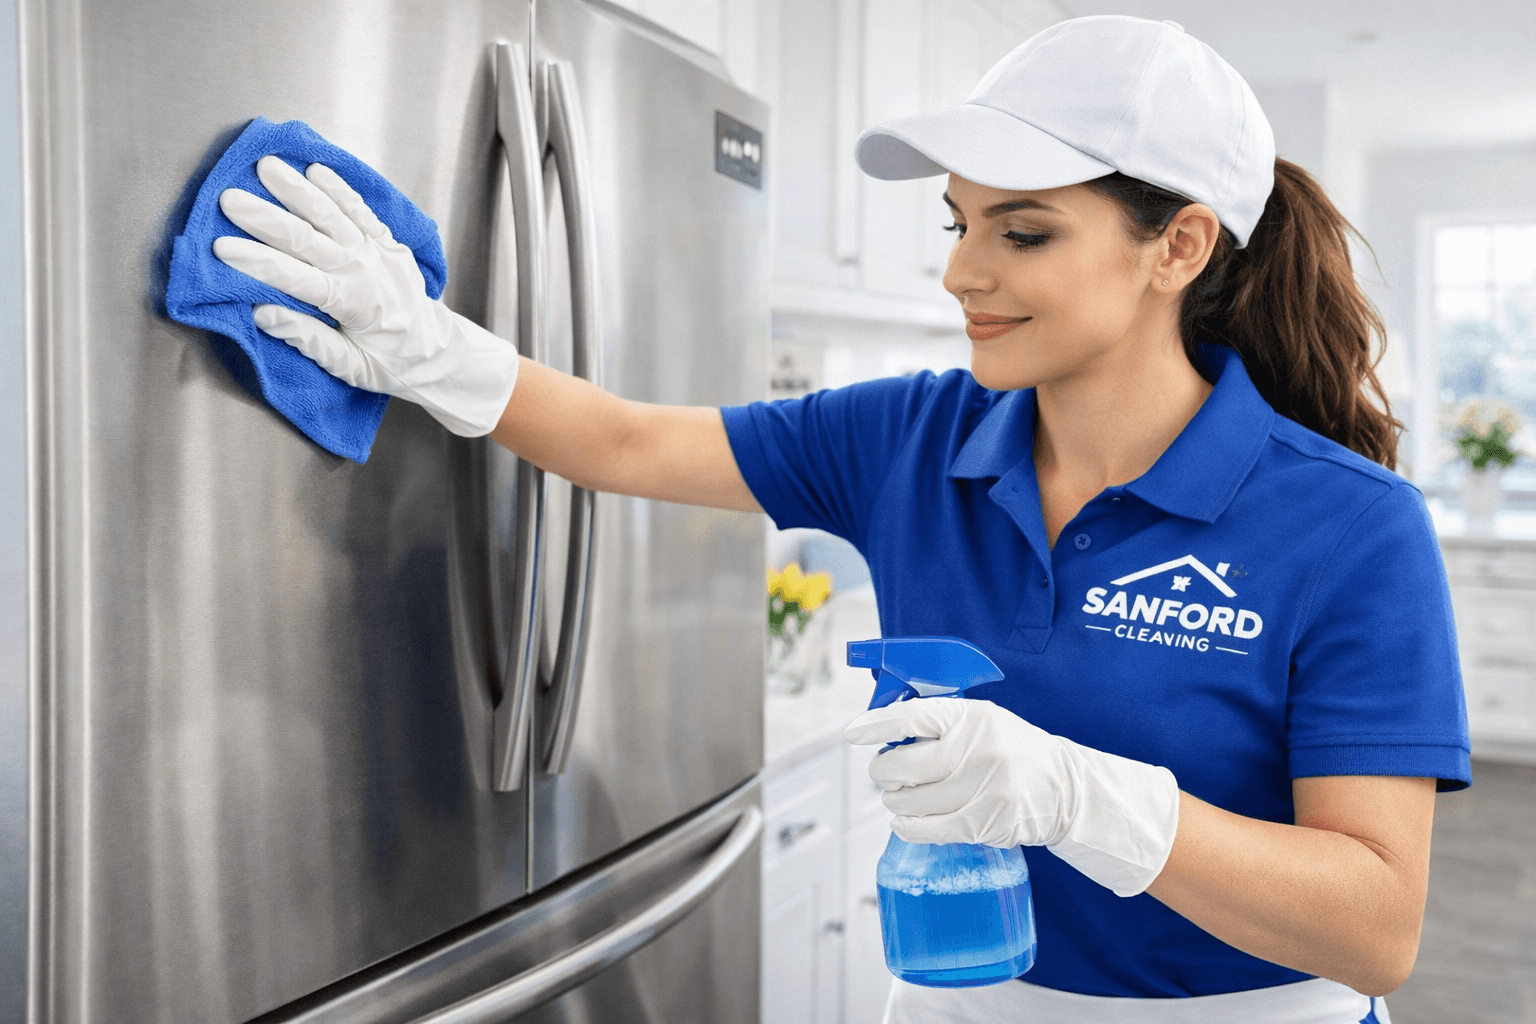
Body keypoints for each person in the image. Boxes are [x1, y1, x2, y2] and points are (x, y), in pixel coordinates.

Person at [211, 15, 1469, 1024]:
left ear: (1178, 246)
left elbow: (1375, 922)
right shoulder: (908, 439)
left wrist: (1079, 797)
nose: (962, 273)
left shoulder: (1351, 527)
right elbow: (631, 439)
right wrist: (430, 351)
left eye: (1023, 232)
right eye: (960, 223)